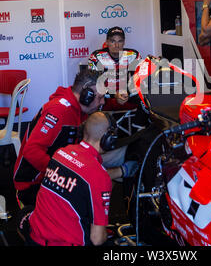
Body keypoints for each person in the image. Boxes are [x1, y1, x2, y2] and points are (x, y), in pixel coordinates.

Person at [22, 111, 137, 246]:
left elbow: (84, 176)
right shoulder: (99, 177)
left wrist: (122, 171)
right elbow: (97, 239)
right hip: (64, 243)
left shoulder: (61, 153)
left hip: (35, 237)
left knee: (26, 212)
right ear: (108, 139)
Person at [13, 69, 106, 208]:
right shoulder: (59, 110)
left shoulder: (80, 110)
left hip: (55, 176)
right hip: (32, 184)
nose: (102, 102)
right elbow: (31, 151)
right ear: (86, 95)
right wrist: (65, 173)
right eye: (99, 97)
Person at [88, 26, 142, 111]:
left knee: (147, 95)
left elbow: (138, 81)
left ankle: (138, 124)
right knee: (91, 95)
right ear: (107, 42)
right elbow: (94, 84)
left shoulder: (133, 55)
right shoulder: (97, 57)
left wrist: (126, 93)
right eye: (112, 41)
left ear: (124, 42)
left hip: (127, 94)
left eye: (120, 41)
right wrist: (114, 95)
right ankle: (100, 123)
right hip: (105, 96)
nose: (116, 45)